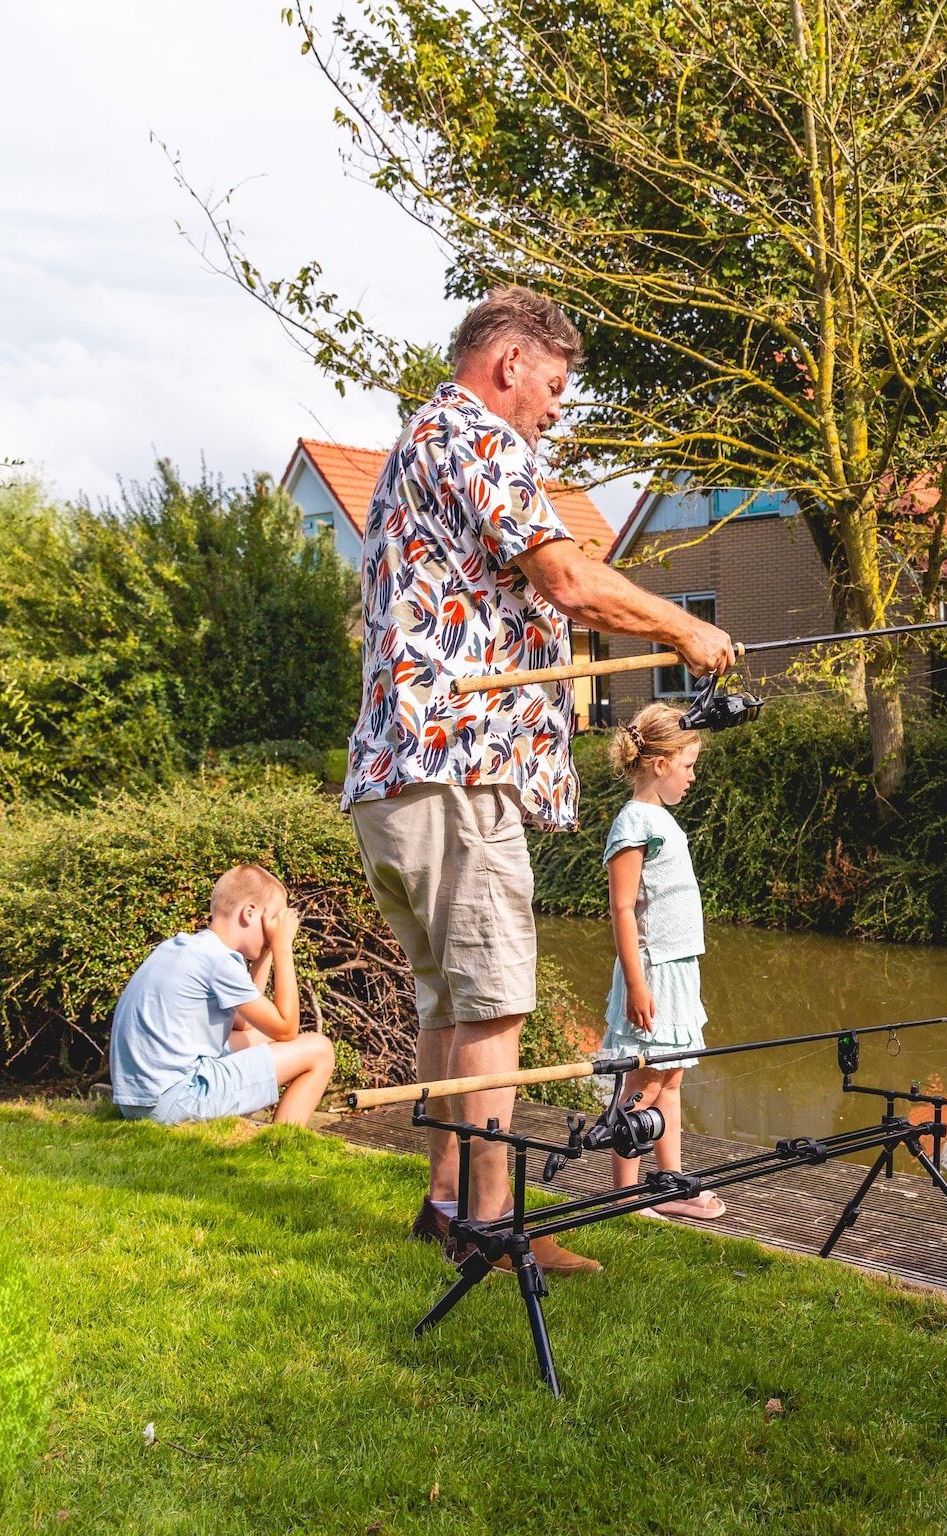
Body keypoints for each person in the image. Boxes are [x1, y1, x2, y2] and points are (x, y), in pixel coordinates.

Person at [342, 285, 734, 1275]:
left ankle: (447, 1204)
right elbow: (567, 580)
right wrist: (685, 626)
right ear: (508, 362)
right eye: (554, 385)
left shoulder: (421, 439)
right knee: (494, 1003)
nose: (556, 408)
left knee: (447, 1005)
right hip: (458, 768)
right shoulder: (474, 436)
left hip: (401, 771)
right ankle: (493, 1224)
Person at [599, 703, 725, 1219]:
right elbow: (622, 908)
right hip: (650, 971)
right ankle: (625, 1197)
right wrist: (635, 984)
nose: (693, 776)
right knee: (644, 1083)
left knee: (670, 1079)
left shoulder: (661, 819)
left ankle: (671, 1187)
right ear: (660, 763)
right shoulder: (634, 822)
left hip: (678, 969)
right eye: (689, 765)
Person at [109, 865, 336, 1128]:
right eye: (271, 919)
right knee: (319, 1050)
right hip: (175, 1100)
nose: (275, 929)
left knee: (264, 1035)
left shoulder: (183, 947)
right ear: (250, 912)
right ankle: (281, 1146)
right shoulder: (218, 961)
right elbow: (286, 1028)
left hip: (140, 1101)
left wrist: (266, 951)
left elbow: (244, 1024)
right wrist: (282, 946)